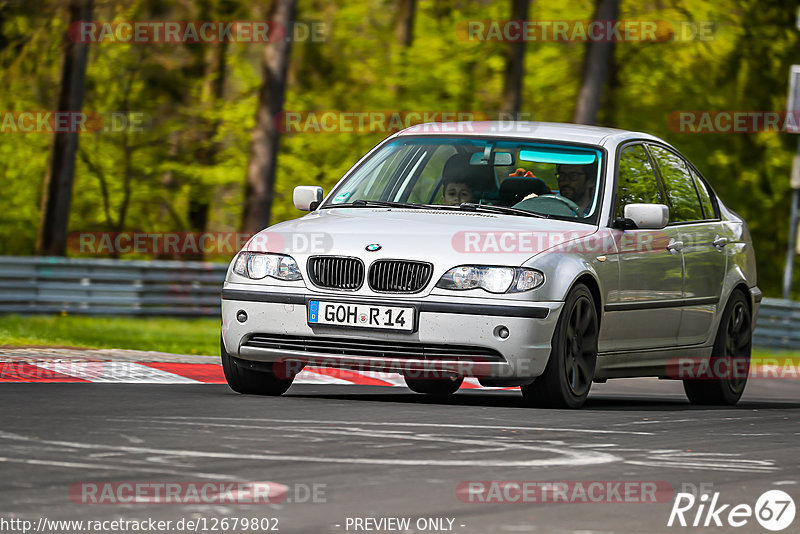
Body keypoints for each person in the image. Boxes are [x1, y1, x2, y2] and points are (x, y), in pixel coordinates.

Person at [521, 162, 597, 215]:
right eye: (562, 175)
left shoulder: (600, 211)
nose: (566, 181)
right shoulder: (546, 204)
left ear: (591, 181)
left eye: (573, 176)